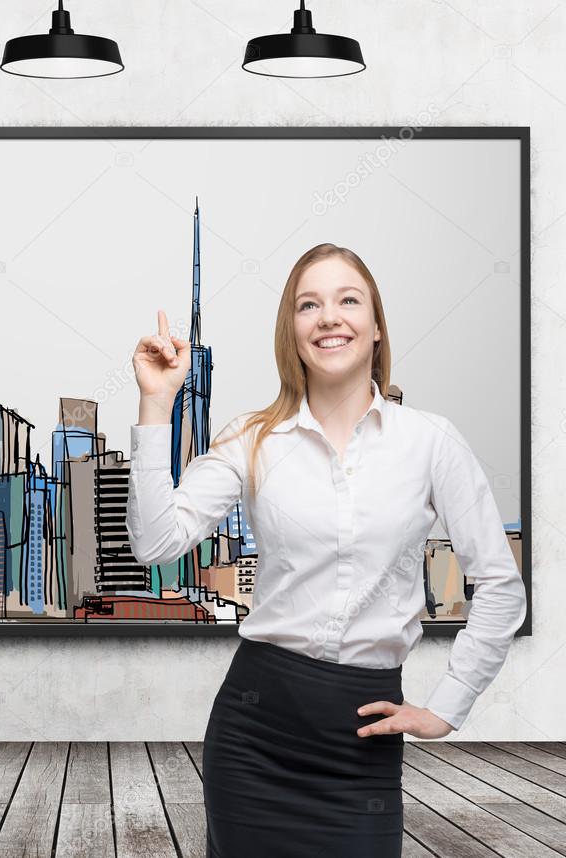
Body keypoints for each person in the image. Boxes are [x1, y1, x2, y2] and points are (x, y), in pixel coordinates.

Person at [126, 242, 528, 858]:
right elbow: (157, 541)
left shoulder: (430, 443)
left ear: (375, 325)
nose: (329, 317)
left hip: (360, 741)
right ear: (292, 331)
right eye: (308, 304)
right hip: (254, 734)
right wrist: (157, 403)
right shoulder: (251, 439)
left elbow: (500, 584)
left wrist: (448, 707)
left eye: (348, 300)